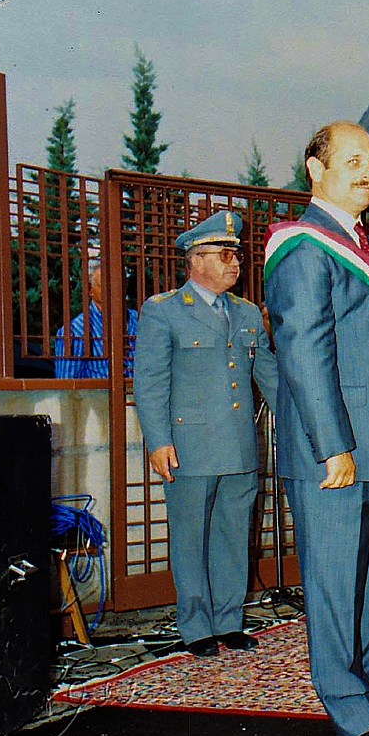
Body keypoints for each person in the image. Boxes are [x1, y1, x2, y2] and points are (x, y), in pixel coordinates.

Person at [263, 121, 369, 736]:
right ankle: (348, 705)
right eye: (353, 159)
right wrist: (333, 444)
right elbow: (304, 350)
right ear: (315, 169)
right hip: (338, 447)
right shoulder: (302, 246)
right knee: (334, 579)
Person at [134, 210, 278, 657]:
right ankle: (196, 626)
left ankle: (228, 620)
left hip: (238, 446)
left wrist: (306, 420)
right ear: (195, 260)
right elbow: (150, 382)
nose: (234, 262)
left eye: (236, 254)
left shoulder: (248, 312)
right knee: (191, 536)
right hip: (188, 448)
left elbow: (269, 374)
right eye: (223, 254)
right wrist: (158, 441)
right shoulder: (165, 312)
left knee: (234, 534)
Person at [54, 259, 139, 378]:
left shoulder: (140, 320)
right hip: (101, 396)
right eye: (106, 286)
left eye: (121, 284)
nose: (117, 290)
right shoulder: (75, 332)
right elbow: (68, 388)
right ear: (90, 290)